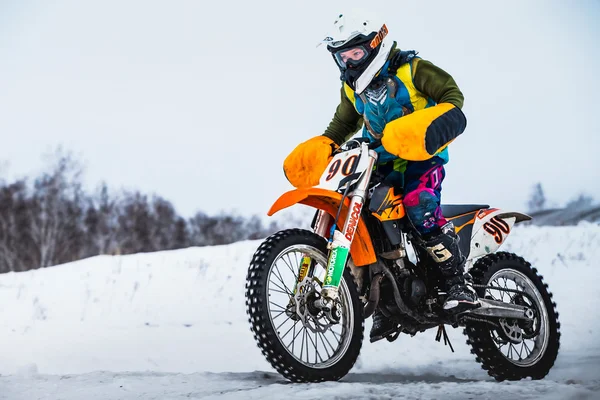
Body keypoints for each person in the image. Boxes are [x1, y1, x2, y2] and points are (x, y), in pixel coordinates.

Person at [282, 12, 479, 341]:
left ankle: (457, 282)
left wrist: (428, 127)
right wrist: (324, 147)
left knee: (418, 205)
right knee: (365, 215)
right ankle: (387, 300)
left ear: (375, 44)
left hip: (421, 158)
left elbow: (452, 96)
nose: (349, 62)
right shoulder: (351, 88)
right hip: (377, 162)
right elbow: (341, 127)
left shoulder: (411, 68)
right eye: (342, 57)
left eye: (355, 54)